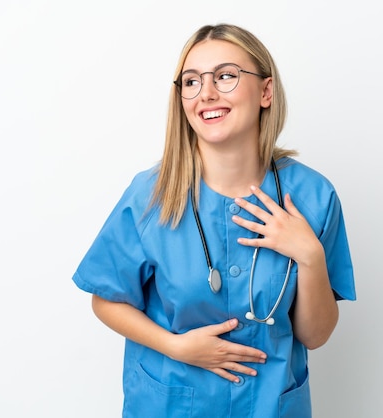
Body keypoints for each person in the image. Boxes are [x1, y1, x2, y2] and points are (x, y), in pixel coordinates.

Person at [72, 23, 356, 418]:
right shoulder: (151, 195)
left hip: (270, 406)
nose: (205, 93)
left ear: (265, 91)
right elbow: (105, 299)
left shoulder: (312, 197)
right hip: (171, 405)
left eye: (225, 76)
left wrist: (309, 255)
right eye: (191, 82)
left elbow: (316, 334)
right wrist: (175, 346)